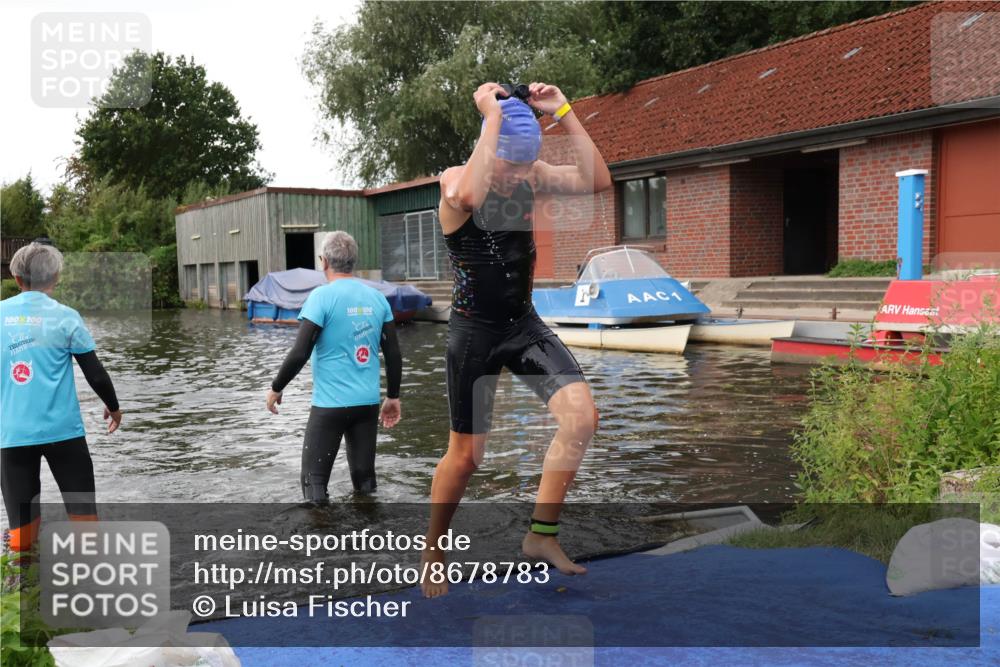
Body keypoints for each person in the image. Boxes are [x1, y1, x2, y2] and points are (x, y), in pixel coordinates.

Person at [421, 81, 612, 597]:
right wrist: (491, 116)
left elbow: (598, 180)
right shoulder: (457, 180)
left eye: (527, 167)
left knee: (582, 417)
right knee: (466, 458)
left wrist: (565, 113)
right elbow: (465, 194)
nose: (520, 178)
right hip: (474, 333)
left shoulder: (528, 172)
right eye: (511, 166)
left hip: (522, 324)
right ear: (491, 146)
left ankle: (540, 535)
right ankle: (434, 548)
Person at [1, 242, 122, 562]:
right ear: (54, 277)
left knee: (21, 534)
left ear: (16, 277)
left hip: (13, 435)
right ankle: (90, 591)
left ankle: (22, 599)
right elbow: (95, 374)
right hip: (64, 434)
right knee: (84, 520)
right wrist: (114, 406)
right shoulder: (66, 317)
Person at [266, 231, 403, 500]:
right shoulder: (377, 299)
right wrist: (393, 397)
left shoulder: (321, 297)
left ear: (324, 261)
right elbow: (394, 354)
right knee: (365, 482)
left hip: (330, 406)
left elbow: (300, 352)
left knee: (313, 483)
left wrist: (276, 387)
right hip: (366, 405)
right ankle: (370, 535)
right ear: (354, 261)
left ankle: (321, 538)